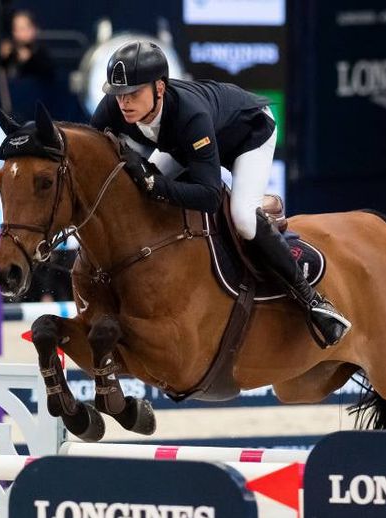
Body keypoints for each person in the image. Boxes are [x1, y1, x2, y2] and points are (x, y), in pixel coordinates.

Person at [90, 40, 351, 347]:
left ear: (159, 88)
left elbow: (210, 195)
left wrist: (153, 184)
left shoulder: (190, 116)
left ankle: (313, 301)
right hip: (185, 146)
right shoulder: (113, 107)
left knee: (243, 219)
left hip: (249, 136)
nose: (124, 102)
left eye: (133, 93)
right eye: (119, 94)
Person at [0, 10, 53, 81]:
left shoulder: (41, 53)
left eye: (24, 28)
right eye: (16, 29)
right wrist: (2, 58)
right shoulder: (9, 53)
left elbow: (49, 74)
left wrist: (30, 60)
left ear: (34, 29)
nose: (20, 32)